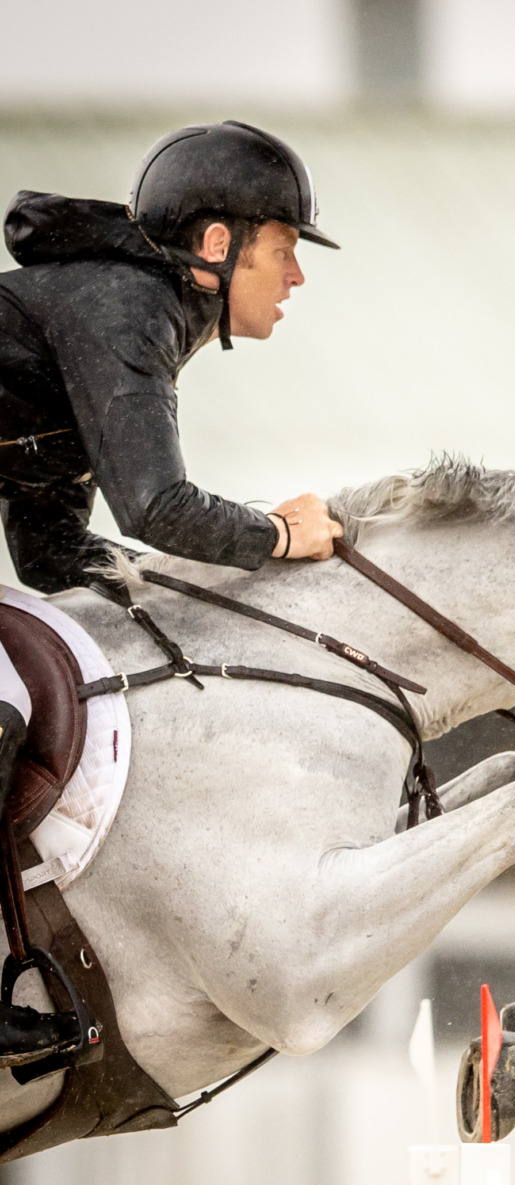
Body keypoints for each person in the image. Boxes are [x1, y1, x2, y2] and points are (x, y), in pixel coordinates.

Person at [0, 121, 343, 1064]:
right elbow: (155, 504)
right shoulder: (125, 307)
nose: (298, 277)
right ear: (218, 246)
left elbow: (53, 549)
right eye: (285, 252)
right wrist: (278, 536)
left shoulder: (123, 307)